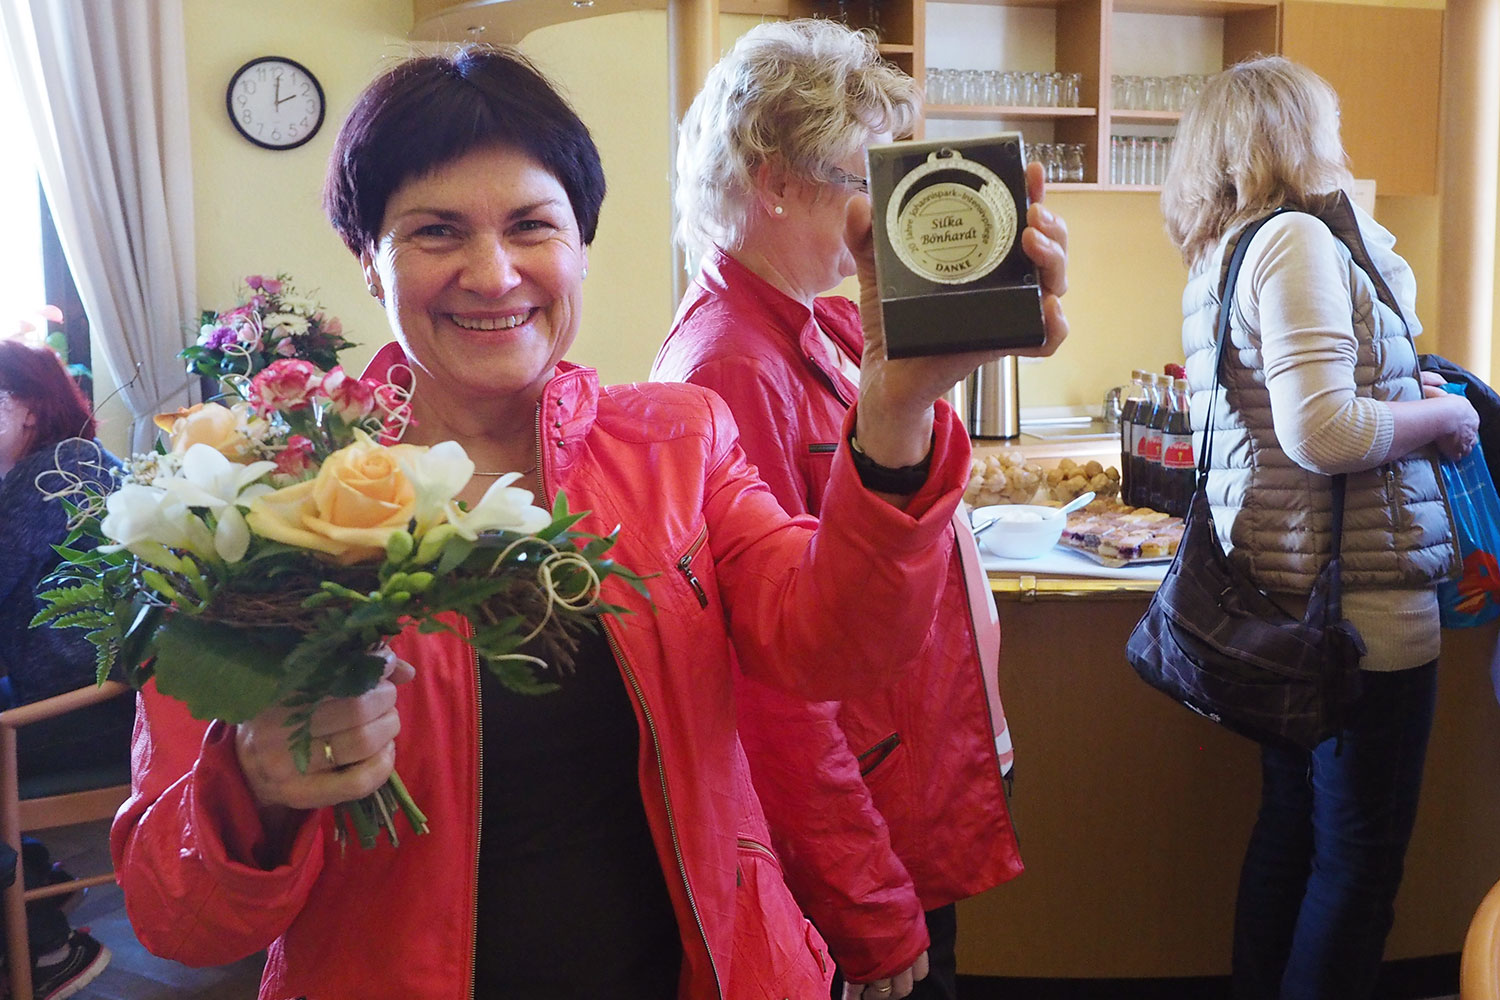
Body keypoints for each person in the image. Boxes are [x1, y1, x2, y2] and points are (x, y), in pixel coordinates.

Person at [109, 43, 1068, 1000]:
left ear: (580, 244)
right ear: (370, 261)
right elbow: (179, 916)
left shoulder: (674, 443)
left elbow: (836, 648)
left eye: (533, 225)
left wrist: (897, 409)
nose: (494, 274)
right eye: (436, 231)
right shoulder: (262, 503)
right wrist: (255, 788)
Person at [651, 20, 1067, 999]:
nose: (885, 211)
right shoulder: (727, 365)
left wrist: (996, 314)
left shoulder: (819, 320)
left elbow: (901, 430)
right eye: (864, 176)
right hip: (860, 820)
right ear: (775, 181)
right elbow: (768, 697)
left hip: (903, 776)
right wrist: (869, 898)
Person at [1160, 56, 1478, 1000]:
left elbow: (1292, 408)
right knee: (1357, 866)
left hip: (1288, 604)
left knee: (1293, 839)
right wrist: (1444, 419)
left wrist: (1399, 393)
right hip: (1360, 615)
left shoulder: (1226, 253)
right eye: (1327, 123)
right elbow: (1323, 430)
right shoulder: (1297, 238)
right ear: (1295, 134)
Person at [0, 339, 122, 996]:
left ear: (21, 406)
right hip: (106, 697)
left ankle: (47, 943)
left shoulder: (51, 473)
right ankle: (36, 883)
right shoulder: (76, 460)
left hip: (90, 709)